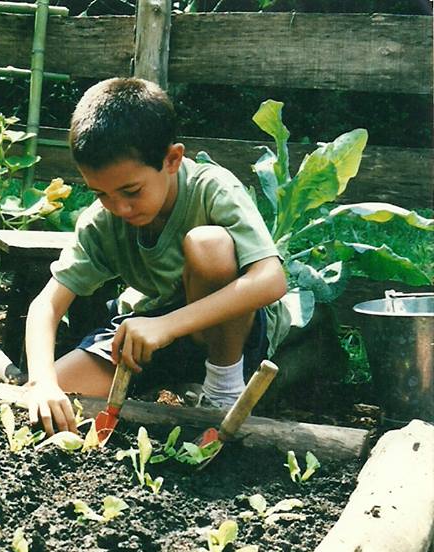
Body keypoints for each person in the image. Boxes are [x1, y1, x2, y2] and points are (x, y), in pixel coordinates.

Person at [24, 77, 291, 436]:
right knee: (56, 400)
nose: (119, 207)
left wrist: (166, 326)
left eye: (131, 191)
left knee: (209, 244)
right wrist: (42, 381)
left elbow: (271, 279)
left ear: (172, 159)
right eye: (101, 193)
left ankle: (223, 389)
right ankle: (166, 385)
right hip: (150, 331)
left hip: (232, 334)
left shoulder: (212, 189)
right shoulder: (101, 221)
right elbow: (46, 306)